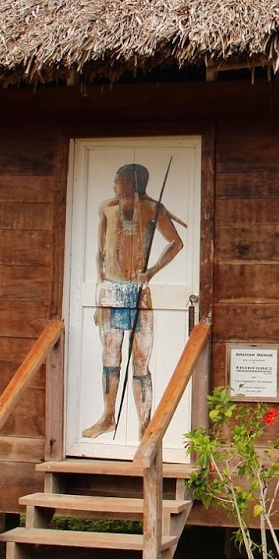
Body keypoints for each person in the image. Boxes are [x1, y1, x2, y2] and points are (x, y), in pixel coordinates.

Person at [82, 162, 185, 438]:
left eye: (120, 180)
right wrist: (98, 296)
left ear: (134, 182)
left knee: (140, 360)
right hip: (112, 291)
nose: (115, 184)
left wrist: (151, 271)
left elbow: (176, 242)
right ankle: (108, 416)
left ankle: (144, 426)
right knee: (110, 355)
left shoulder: (153, 209)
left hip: (139, 292)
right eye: (115, 180)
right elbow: (99, 254)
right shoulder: (107, 207)